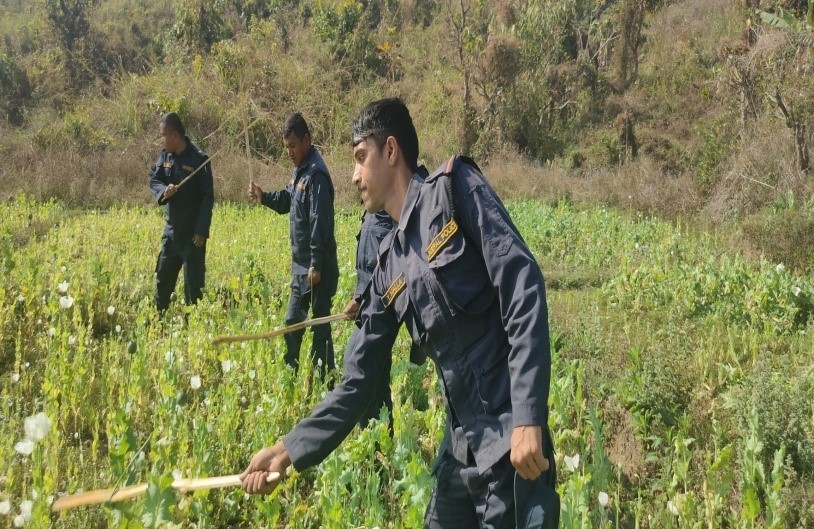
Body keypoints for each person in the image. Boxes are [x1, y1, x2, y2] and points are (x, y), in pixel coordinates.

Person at [241, 98, 557, 528]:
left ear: (391, 151)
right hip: (462, 449)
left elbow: (522, 287)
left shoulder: (454, 190)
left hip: (511, 444)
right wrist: (286, 451)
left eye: (359, 157)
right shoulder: (388, 264)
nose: (353, 175)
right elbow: (357, 381)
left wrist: (528, 415)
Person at [249, 113, 339, 375]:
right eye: (286, 146)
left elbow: (319, 223)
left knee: (319, 327)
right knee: (292, 321)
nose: (289, 151)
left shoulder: (316, 175)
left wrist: (316, 265)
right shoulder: (299, 172)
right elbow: (287, 200)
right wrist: (263, 196)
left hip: (316, 267)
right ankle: (291, 373)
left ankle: (325, 380)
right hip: (301, 267)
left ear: (307, 140)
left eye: (293, 146)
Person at [149, 112, 214, 313]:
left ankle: (192, 330)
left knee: (193, 290)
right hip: (172, 233)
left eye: (163, 135)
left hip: (192, 238)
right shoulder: (165, 156)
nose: (161, 139)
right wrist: (164, 192)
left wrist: (201, 231)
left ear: (174, 135)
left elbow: (207, 197)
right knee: (162, 282)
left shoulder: (198, 159)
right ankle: (158, 322)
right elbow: (154, 179)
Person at [343, 209, 395, 432]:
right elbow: (369, 263)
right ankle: (379, 439)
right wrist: (359, 297)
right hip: (367, 304)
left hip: (380, 307)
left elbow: (389, 264)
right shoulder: (373, 209)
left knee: (357, 363)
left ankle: (374, 444)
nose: (356, 177)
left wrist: (363, 298)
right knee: (375, 374)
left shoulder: (395, 208)